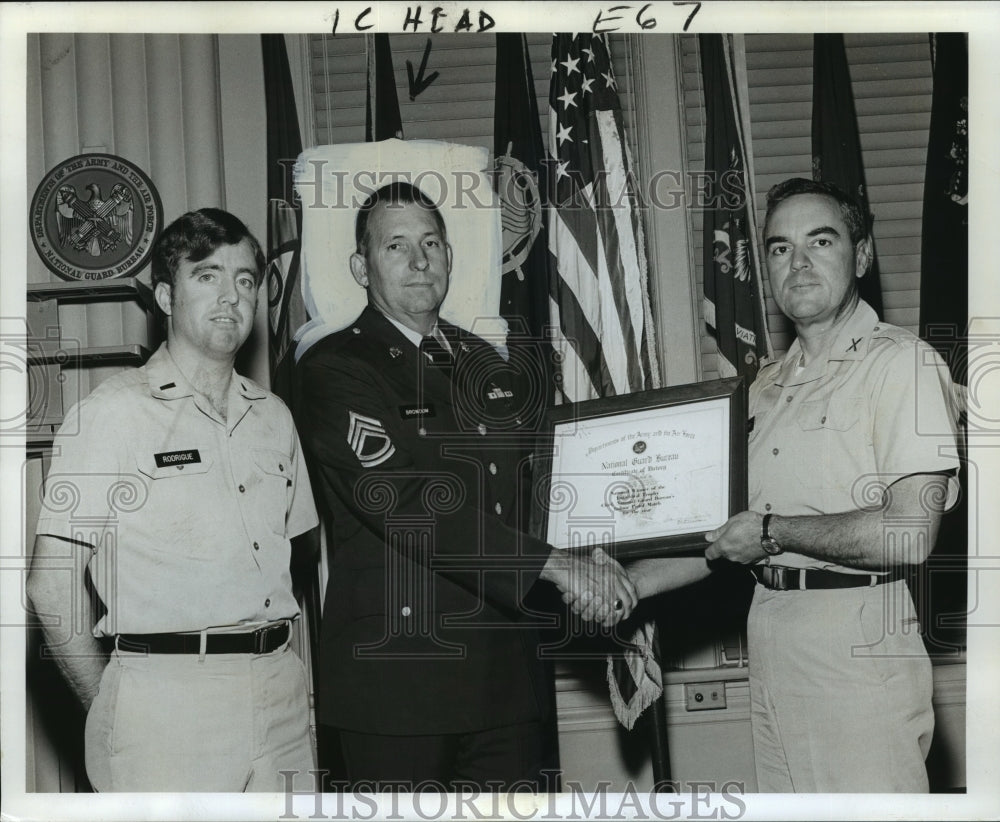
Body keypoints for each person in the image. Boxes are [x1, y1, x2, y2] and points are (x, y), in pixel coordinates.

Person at [293, 182, 637, 791]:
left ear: (451, 256)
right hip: (398, 681)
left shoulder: (488, 363)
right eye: (395, 245)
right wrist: (557, 565)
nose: (419, 260)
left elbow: (540, 489)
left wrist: (596, 547)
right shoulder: (336, 368)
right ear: (360, 266)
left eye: (431, 242)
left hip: (506, 677)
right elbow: (403, 502)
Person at [625, 178, 960, 792]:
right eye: (780, 248)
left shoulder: (901, 364)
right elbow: (727, 535)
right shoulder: (762, 389)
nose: (798, 263)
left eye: (820, 241)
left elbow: (910, 532)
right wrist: (628, 581)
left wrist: (774, 534)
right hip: (772, 629)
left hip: (857, 638)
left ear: (861, 256)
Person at [26, 208, 319, 792]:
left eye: (244, 279)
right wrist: (112, 701)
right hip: (164, 707)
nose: (230, 296)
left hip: (281, 697)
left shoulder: (274, 418)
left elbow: (298, 559)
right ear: (165, 294)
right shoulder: (112, 414)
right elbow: (50, 585)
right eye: (206, 275)